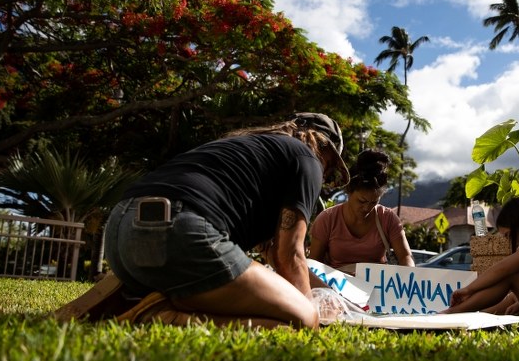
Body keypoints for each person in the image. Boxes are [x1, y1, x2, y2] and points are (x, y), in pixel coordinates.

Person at [99, 112, 351, 329]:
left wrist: (327, 291)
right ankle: (163, 315)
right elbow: (290, 254)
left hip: (119, 233)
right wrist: (310, 307)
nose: (325, 176)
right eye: (329, 170)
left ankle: (147, 298)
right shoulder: (308, 158)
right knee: (305, 318)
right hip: (180, 236)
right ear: (325, 148)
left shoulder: (252, 150)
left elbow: (273, 253)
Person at [308, 149, 415, 274]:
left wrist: (409, 276)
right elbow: (314, 264)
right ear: (348, 191)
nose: (366, 208)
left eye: (374, 202)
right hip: (337, 288)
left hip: (377, 287)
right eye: (361, 201)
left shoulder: (388, 218)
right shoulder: (327, 219)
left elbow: (406, 256)